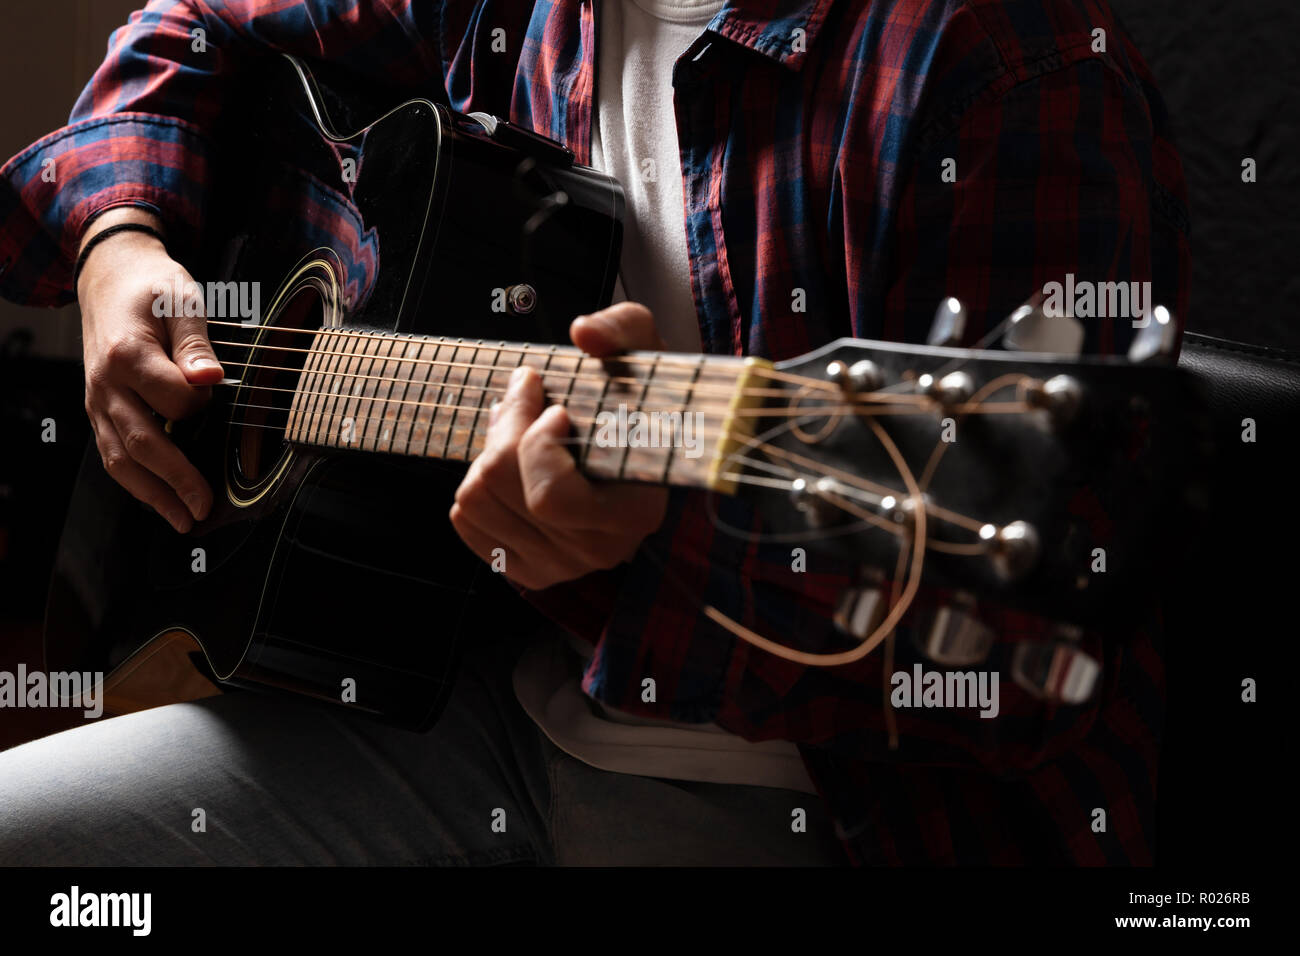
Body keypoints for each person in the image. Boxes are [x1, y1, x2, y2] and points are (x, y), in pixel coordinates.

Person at [0, 0, 1189, 865]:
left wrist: (650, 554)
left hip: (825, 808)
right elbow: (191, 29)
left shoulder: (1005, 65)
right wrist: (121, 241)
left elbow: (1025, 660)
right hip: (466, 711)